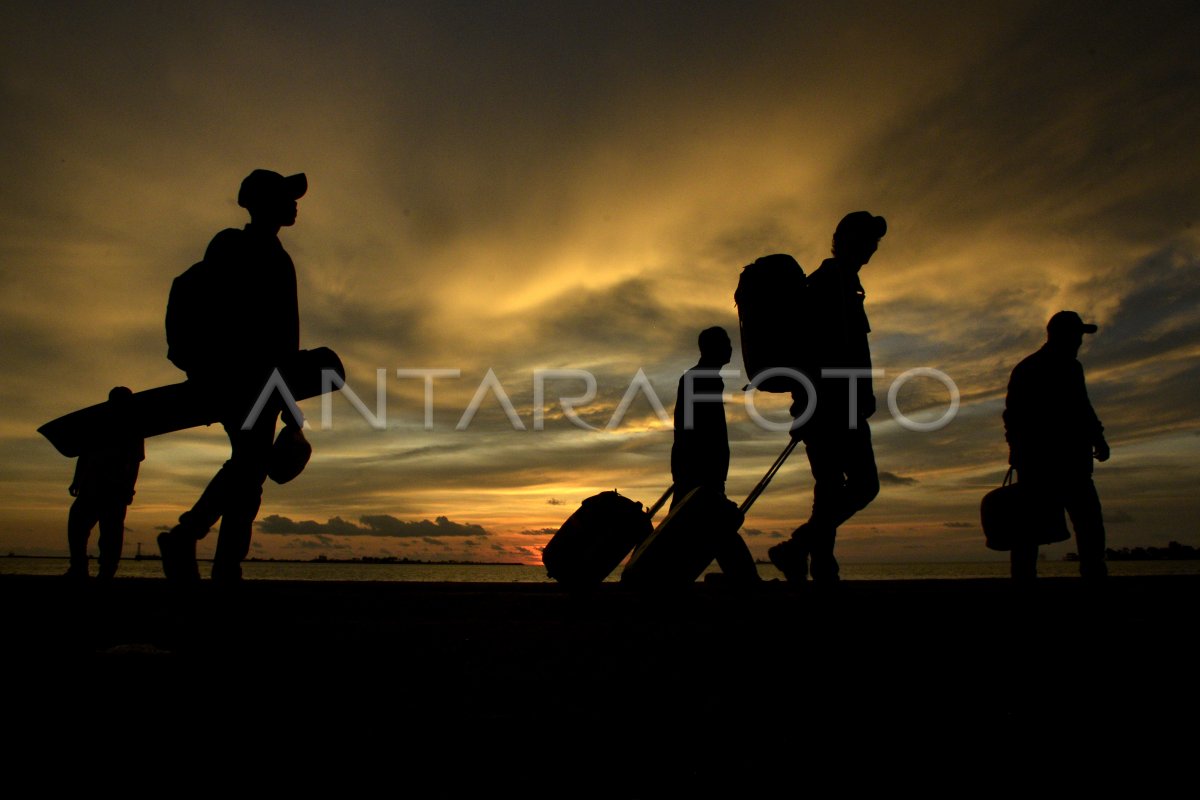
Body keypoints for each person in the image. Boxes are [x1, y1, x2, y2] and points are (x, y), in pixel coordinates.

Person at [157, 169, 307, 584]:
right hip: (245, 380)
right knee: (250, 463)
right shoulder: (245, 250)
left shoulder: (259, 251)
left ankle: (221, 562)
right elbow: (272, 335)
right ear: (262, 202)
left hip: (251, 379)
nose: (295, 204)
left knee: (250, 467)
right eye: (285, 196)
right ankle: (191, 539)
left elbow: (283, 336)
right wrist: (284, 396)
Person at [768, 212, 886, 583]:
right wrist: (845, 397)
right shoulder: (830, 285)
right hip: (834, 406)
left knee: (830, 488)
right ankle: (800, 548)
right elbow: (828, 353)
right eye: (867, 241)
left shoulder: (841, 284)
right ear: (846, 240)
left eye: (874, 243)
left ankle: (819, 566)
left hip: (827, 405)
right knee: (864, 484)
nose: (871, 250)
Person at [1003, 311, 1110, 580]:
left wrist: (1097, 437)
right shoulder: (1046, 368)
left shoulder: (1038, 367)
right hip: (1050, 462)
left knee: (1046, 528)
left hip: (1052, 461)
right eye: (1077, 335)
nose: (1080, 342)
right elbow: (1015, 416)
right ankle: (1090, 576)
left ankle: (1027, 580)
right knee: (1080, 524)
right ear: (1062, 335)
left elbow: (1082, 408)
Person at [671, 326, 759, 584]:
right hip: (699, 466)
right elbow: (691, 427)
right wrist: (696, 465)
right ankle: (746, 578)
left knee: (691, 524)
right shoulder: (698, 379)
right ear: (710, 348)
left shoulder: (705, 378)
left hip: (699, 465)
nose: (731, 348)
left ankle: (662, 574)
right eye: (725, 343)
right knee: (715, 525)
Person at [65, 386, 144, 581]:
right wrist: (77, 479)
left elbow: (134, 462)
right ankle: (79, 568)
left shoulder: (133, 428)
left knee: (110, 532)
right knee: (78, 526)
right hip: (92, 486)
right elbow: (84, 455)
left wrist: (128, 488)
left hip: (115, 488)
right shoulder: (96, 424)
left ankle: (106, 571)